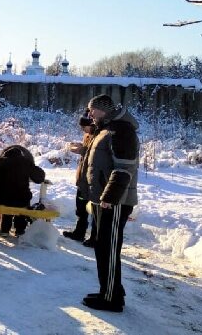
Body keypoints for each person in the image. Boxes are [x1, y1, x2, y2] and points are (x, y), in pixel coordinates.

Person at [82, 94, 139, 313]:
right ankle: (111, 289)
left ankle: (111, 299)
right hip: (104, 200)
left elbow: (124, 167)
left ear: (104, 110)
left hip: (115, 202)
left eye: (93, 110)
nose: (90, 114)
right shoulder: (107, 127)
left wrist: (109, 198)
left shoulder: (121, 130)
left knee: (108, 248)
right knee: (102, 246)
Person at [0, 145, 45, 237]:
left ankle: (4, 230)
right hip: (22, 198)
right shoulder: (26, 162)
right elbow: (39, 178)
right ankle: (20, 230)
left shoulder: (2, 161)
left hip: (4, 198)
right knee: (23, 202)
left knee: (7, 201)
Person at [63, 110, 98, 247]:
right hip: (83, 177)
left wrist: (82, 150)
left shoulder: (100, 135)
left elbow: (97, 157)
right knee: (81, 206)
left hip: (92, 179)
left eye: (84, 126)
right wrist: (81, 147)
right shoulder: (88, 135)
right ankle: (79, 232)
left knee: (94, 209)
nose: (82, 129)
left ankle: (95, 237)